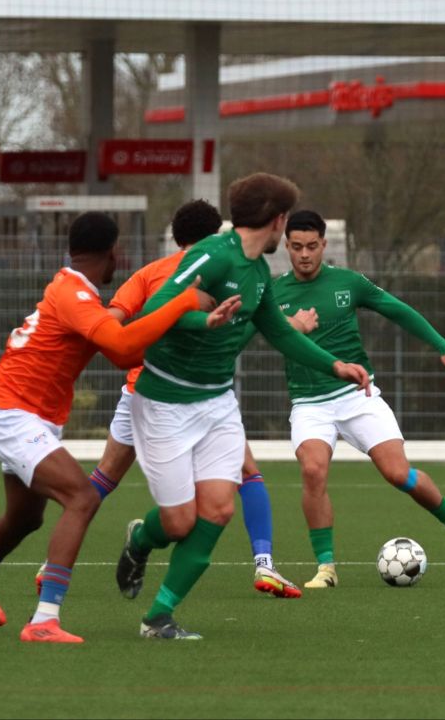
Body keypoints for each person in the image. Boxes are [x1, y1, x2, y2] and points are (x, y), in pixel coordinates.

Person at [0, 211, 238, 644]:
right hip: (11, 413)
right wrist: (182, 303)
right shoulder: (75, 294)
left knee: (25, 517)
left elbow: (124, 344)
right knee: (81, 498)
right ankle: (44, 621)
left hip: (31, 415)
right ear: (113, 252)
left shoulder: (75, 291)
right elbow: (121, 350)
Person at [115, 174, 372, 640]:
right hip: (165, 400)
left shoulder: (257, 272)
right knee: (178, 522)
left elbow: (279, 331)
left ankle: (158, 616)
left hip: (217, 403)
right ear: (277, 220)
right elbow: (154, 311)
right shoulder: (213, 255)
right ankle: (140, 539)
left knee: (217, 511)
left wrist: (336, 366)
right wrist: (203, 320)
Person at [274, 210, 445, 591]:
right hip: (310, 403)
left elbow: (396, 309)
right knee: (313, 471)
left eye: (312, 246)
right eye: (297, 247)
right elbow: (253, 326)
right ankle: (326, 569)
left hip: (358, 396)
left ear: (324, 245)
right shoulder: (274, 292)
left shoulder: (348, 282)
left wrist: (442, 346)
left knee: (398, 474)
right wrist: (291, 325)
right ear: (286, 247)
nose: (305, 254)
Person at [84, 198, 301, 599]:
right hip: (168, 394)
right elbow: (235, 329)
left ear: (176, 236)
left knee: (103, 478)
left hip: (141, 389)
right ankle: (263, 562)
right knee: (245, 475)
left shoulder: (151, 272)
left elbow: (113, 321)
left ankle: (56, 560)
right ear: (215, 233)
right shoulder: (220, 264)